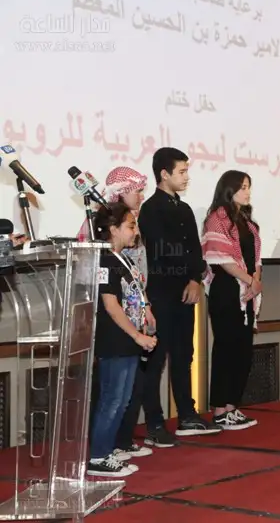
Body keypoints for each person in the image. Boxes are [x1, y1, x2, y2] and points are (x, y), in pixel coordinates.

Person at [138, 147, 221, 447]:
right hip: (161, 292)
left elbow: (195, 250)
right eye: (182, 171)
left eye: (187, 171)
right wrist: (187, 274)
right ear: (164, 174)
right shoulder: (151, 209)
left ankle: (187, 414)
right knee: (156, 359)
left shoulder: (184, 209)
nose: (187, 177)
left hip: (186, 291)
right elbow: (162, 250)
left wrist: (195, 279)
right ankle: (155, 423)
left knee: (184, 355)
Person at [88, 202, 157, 477]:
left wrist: (147, 311)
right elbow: (111, 305)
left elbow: (135, 292)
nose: (135, 231)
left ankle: (110, 447)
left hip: (129, 340)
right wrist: (136, 335)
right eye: (130, 226)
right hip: (115, 340)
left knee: (124, 398)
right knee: (112, 399)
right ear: (113, 229)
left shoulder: (123, 258)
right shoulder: (105, 260)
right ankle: (98, 456)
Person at [201, 171, 261, 430]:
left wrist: (255, 281)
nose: (247, 192)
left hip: (247, 291)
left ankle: (232, 406)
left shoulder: (247, 221)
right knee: (226, 348)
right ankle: (219, 410)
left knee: (243, 351)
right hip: (226, 291)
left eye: (249, 187)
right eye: (243, 187)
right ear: (229, 189)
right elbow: (222, 259)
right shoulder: (217, 219)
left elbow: (256, 258)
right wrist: (249, 281)